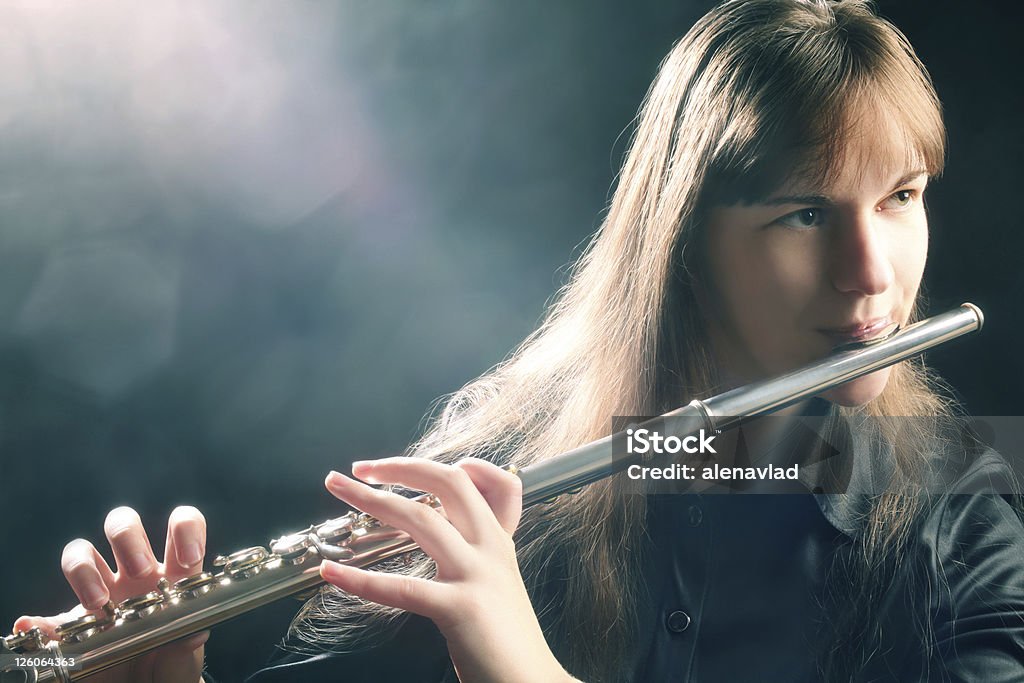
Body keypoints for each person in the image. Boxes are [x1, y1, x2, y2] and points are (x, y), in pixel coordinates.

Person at [13, 0, 1024, 681]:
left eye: (899, 197)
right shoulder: (508, 474)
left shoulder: (966, 500)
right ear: (681, 245)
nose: (872, 271)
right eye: (804, 214)